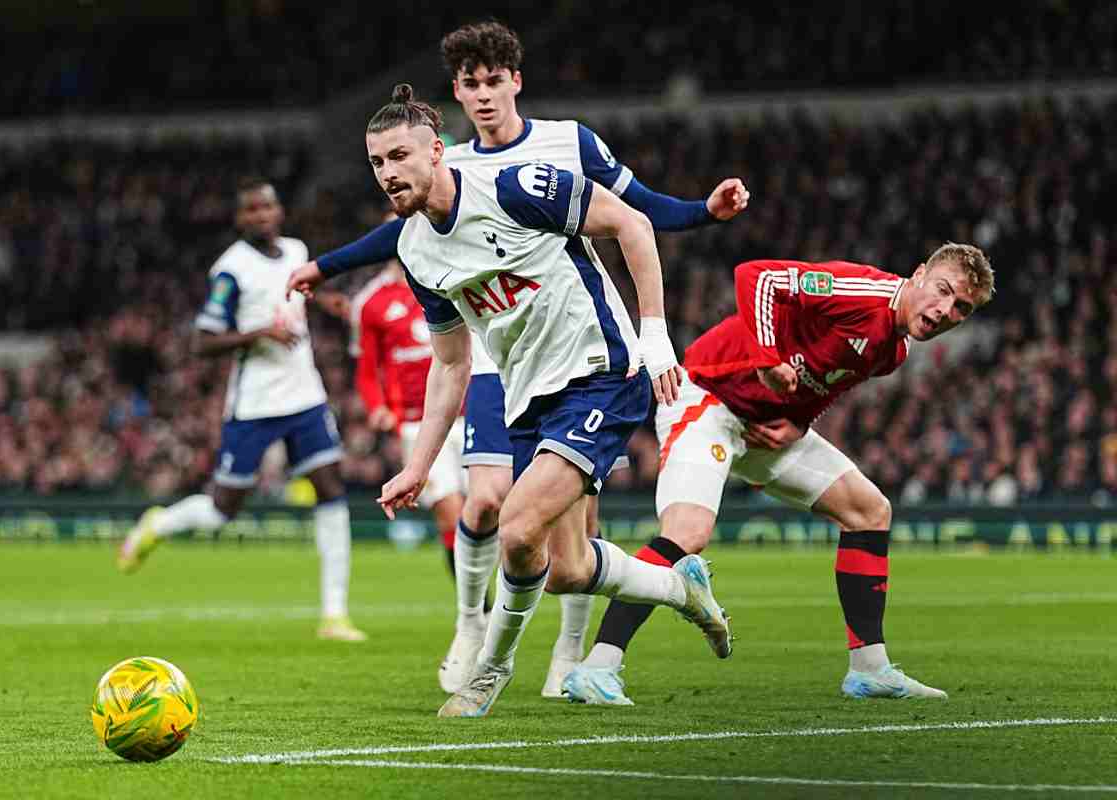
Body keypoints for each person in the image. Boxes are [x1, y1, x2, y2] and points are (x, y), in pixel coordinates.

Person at [287, 20, 748, 698]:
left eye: (399, 157)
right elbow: (449, 364)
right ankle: (683, 590)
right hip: (521, 387)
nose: (387, 173)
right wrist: (416, 465)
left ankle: (489, 671)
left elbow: (635, 218)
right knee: (561, 566)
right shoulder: (414, 250)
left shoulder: (525, 177)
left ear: (437, 151)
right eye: (376, 163)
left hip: (599, 369)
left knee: (514, 521)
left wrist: (656, 336)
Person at [564, 245, 995, 705]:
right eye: (943, 291)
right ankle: (597, 667)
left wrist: (800, 424)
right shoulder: (863, 292)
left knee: (869, 511)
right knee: (687, 533)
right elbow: (758, 277)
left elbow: (831, 380)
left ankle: (870, 669)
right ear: (920, 273)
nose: (945, 310)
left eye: (961, 309)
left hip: (764, 427)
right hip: (708, 398)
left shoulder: (894, 349)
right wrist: (768, 359)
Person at [117, 177, 365, 643]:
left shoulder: (296, 250)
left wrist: (327, 302)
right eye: (251, 210)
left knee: (331, 489)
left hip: (305, 395)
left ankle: (334, 614)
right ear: (239, 218)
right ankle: (161, 522)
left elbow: (298, 295)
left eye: (267, 207)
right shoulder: (230, 270)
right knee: (223, 509)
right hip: (255, 404)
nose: (261, 216)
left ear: (279, 211)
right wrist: (259, 334)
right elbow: (202, 341)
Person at [348, 253, 467, 581]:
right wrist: (378, 408)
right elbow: (367, 370)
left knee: (489, 510)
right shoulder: (370, 302)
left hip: (472, 411)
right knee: (450, 513)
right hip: (418, 422)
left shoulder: (452, 273)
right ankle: (476, 609)